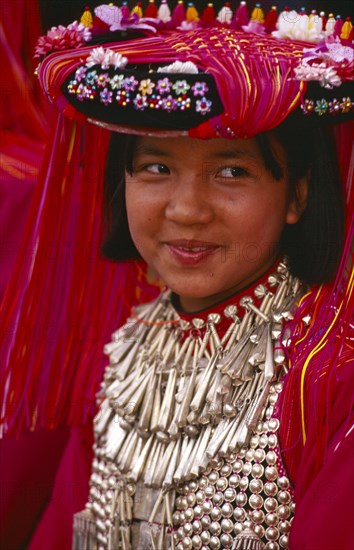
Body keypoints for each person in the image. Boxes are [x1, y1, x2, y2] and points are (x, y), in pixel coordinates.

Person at [4, 3, 354, 549]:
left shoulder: (331, 378)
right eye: (157, 167)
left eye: (231, 171)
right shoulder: (122, 354)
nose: (187, 210)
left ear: (299, 195)